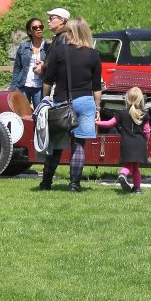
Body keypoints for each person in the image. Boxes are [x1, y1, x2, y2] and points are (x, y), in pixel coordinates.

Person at [40, 16, 103, 191]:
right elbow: (97, 87)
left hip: (62, 102)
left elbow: (47, 80)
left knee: (56, 144)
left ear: (73, 32)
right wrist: (98, 108)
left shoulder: (59, 51)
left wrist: (45, 99)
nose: (65, 34)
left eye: (67, 31)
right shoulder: (94, 54)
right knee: (79, 144)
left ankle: (46, 183)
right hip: (85, 102)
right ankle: (74, 184)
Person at [95, 86, 149, 193]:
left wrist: (96, 122)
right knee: (136, 167)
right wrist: (146, 142)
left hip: (126, 144)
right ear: (140, 99)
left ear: (127, 99)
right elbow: (147, 131)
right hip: (140, 144)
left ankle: (123, 174)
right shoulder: (144, 114)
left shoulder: (121, 113)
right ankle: (137, 188)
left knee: (129, 165)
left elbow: (109, 123)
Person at [12, 17, 46, 112]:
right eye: (35, 27)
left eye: (41, 27)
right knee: (22, 113)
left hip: (40, 87)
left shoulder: (48, 46)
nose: (38, 29)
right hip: (23, 86)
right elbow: (17, 68)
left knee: (40, 114)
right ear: (29, 31)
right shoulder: (23, 47)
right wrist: (13, 88)